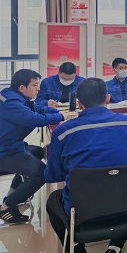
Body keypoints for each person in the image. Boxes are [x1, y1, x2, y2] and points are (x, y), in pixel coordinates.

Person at [45, 77, 127, 253]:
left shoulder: (63, 132)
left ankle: (76, 247)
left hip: (82, 212)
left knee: (53, 200)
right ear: (108, 98)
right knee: (121, 186)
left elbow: (53, 175)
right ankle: (115, 246)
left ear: (79, 103)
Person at [0, 69, 64, 224]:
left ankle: (12, 195)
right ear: (22, 87)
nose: (38, 88)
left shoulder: (18, 96)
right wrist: (61, 116)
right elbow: (34, 119)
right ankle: (6, 207)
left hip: (12, 146)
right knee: (41, 174)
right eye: (35, 85)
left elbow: (37, 109)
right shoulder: (10, 103)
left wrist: (56, 111)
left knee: (38, 152)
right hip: (4, 151)